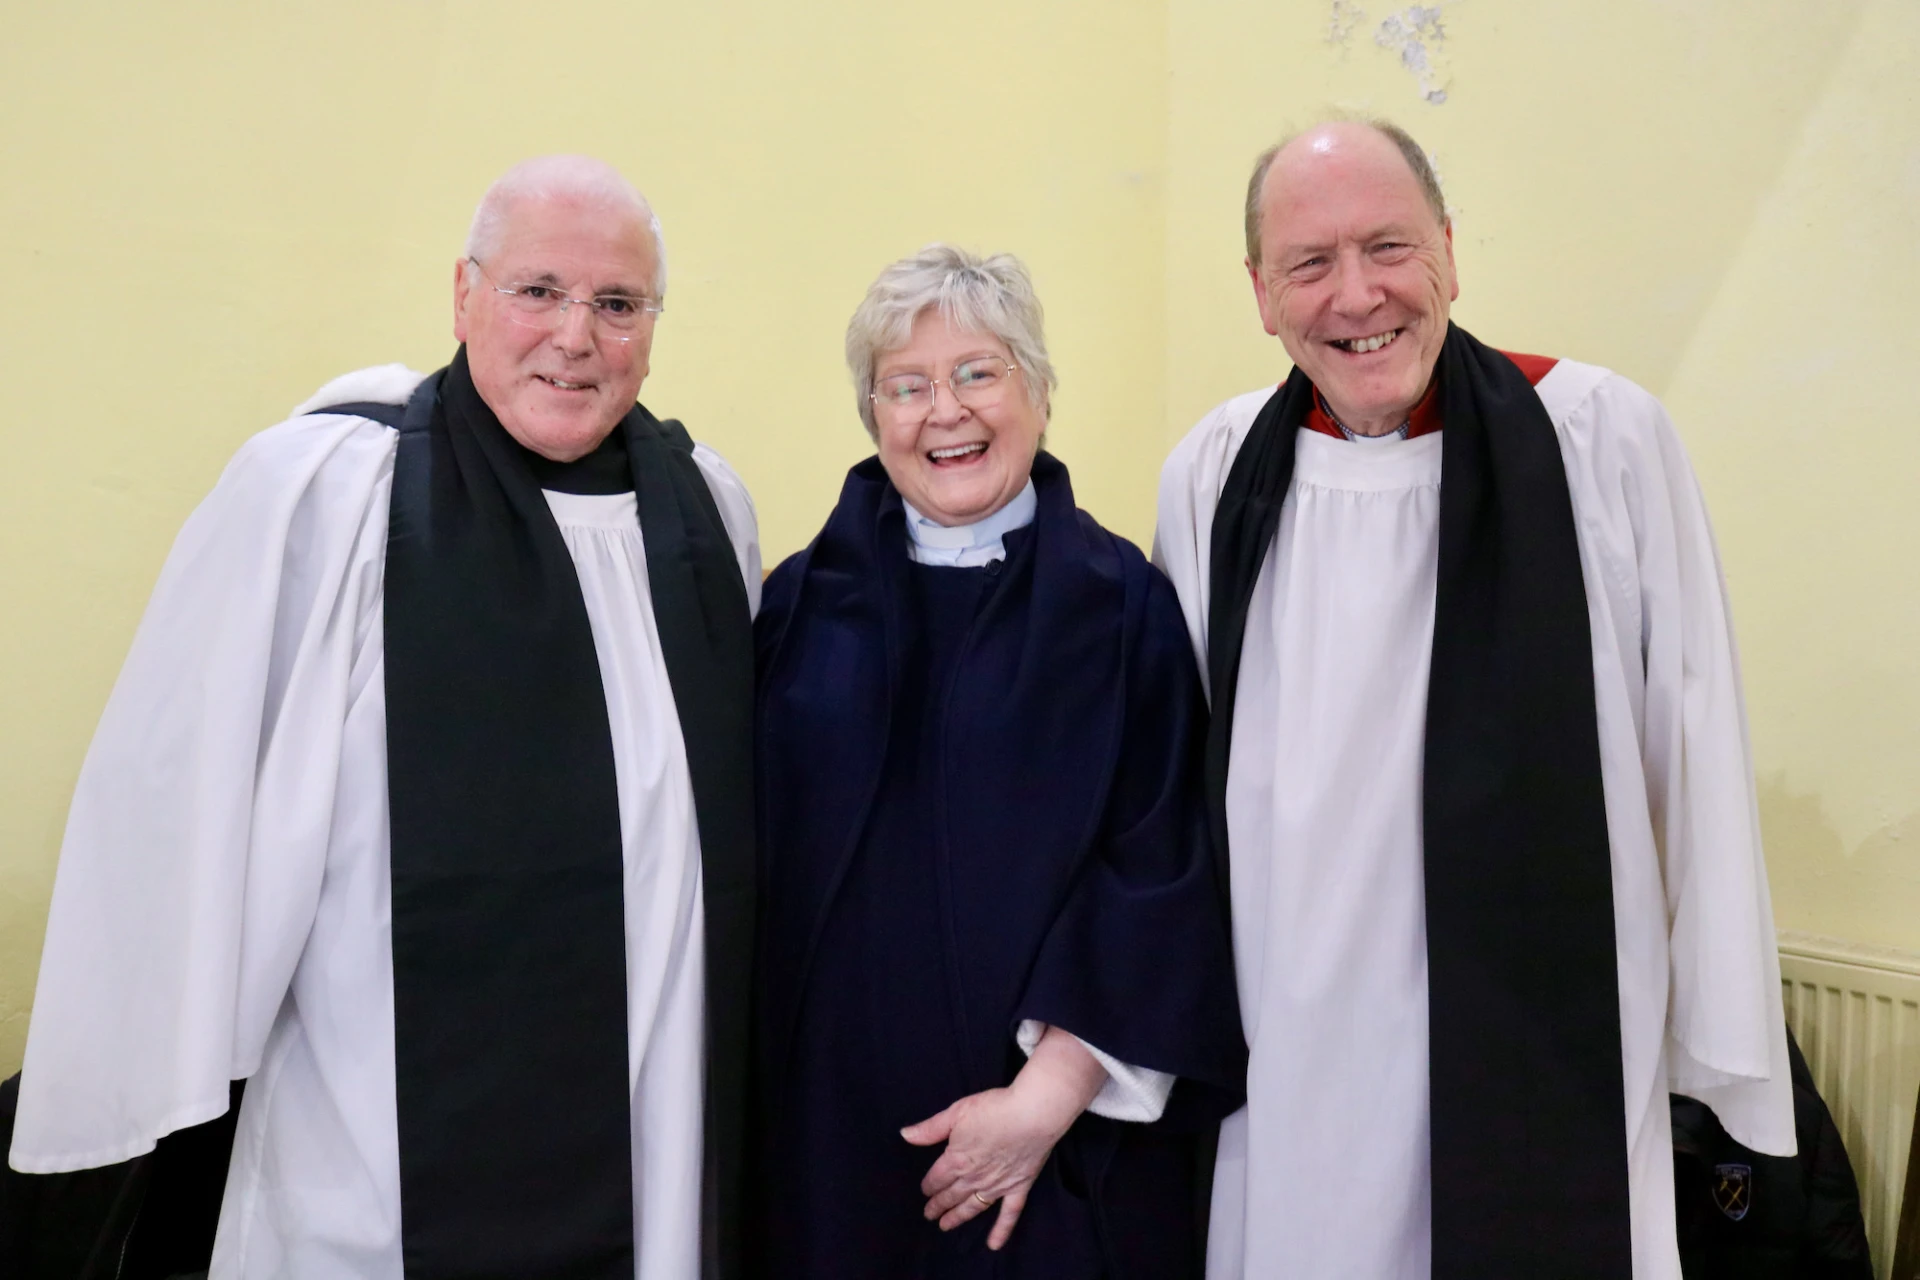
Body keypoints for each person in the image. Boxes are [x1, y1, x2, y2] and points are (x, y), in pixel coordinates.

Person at [7, 154, 761, 1280]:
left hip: (658, 1113)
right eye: (537, 290)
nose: (575, 334)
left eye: (617, 304)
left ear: (654, 323)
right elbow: (182, 784)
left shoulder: (703, 508)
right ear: (464, 293)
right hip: (378, 1128)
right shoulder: (331, 490)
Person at [1154, 119, 1797, 1279]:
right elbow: (1176, 775)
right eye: (1309, 263)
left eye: (1389, 246)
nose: (1357, 295)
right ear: (1259, 292)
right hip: (1296, 1044)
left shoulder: (1597, 438)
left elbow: (1689, 741)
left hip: (1545, 1033)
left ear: (1450, 251)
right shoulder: (1213, 472)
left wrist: (1718, 1043)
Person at [750, 245, 1245, 1279]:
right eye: (908, 385)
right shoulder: (797, 608)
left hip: (1058, 1155)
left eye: (979, 371)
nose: (947, 411)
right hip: (829, 1154)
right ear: (873, 415)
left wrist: (1042, 1101)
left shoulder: (1120, 609)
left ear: (1038, 390)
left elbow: (1162, 867)